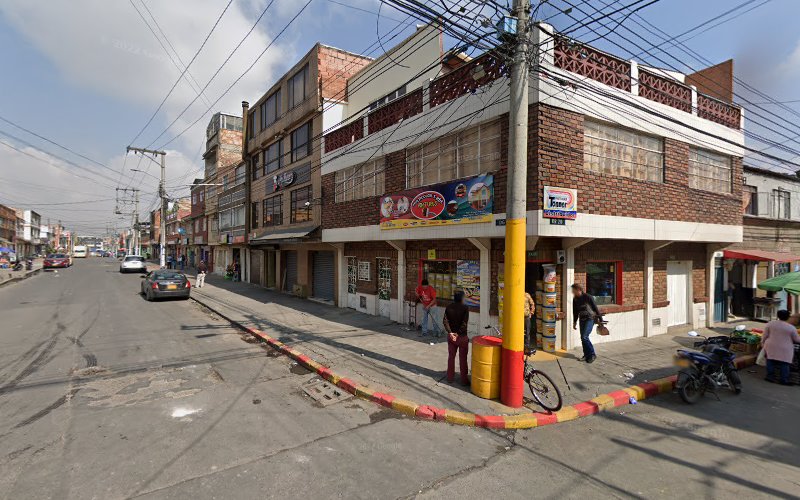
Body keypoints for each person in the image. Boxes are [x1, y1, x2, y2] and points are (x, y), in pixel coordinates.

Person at [762, 309, 800, 385]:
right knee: (785, 363)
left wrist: (762, 343)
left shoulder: (770, 324)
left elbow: (765, 335)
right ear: (788, 317)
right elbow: (797, 339)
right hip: (785, 348)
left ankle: (770, 377)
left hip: (770, 345)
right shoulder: (791, 328)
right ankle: (783, 380)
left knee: (770, 360)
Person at [443, 291, 470, 385]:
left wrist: (450, 333)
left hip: (451, 337)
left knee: (451, 357)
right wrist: (457, 334)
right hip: (461, 337)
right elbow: (464, 323)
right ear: (462, 298)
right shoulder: (465, 308)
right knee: (463, 358)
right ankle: (464, 380)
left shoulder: (449, 307)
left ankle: (450, 377)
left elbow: (445, 322)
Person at [571, 283, 602, 363]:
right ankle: (586, 355)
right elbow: (575, 312)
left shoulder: (587, 297)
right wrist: (574, 322)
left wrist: (600, 319)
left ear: (579, 290)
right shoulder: (575, 299)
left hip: (590, 318)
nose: (572, 292)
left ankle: (592, 354)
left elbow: (595, 308)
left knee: (585, 336)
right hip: (582, 319)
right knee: (583, 338)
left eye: (573, 291)